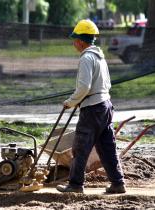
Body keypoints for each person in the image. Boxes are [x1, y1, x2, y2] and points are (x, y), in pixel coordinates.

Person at [56, 19, 126, 194]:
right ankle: (118, 183)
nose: (74, 43)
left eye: (75, 39)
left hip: (93, 109)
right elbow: (106, 84)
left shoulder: (86, 58)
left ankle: (75, 185)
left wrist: (71, 102)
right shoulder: (100, 57)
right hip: (106, 106)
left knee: (80, 147)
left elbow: (84, 87)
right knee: (107, 147)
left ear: (80, 40)